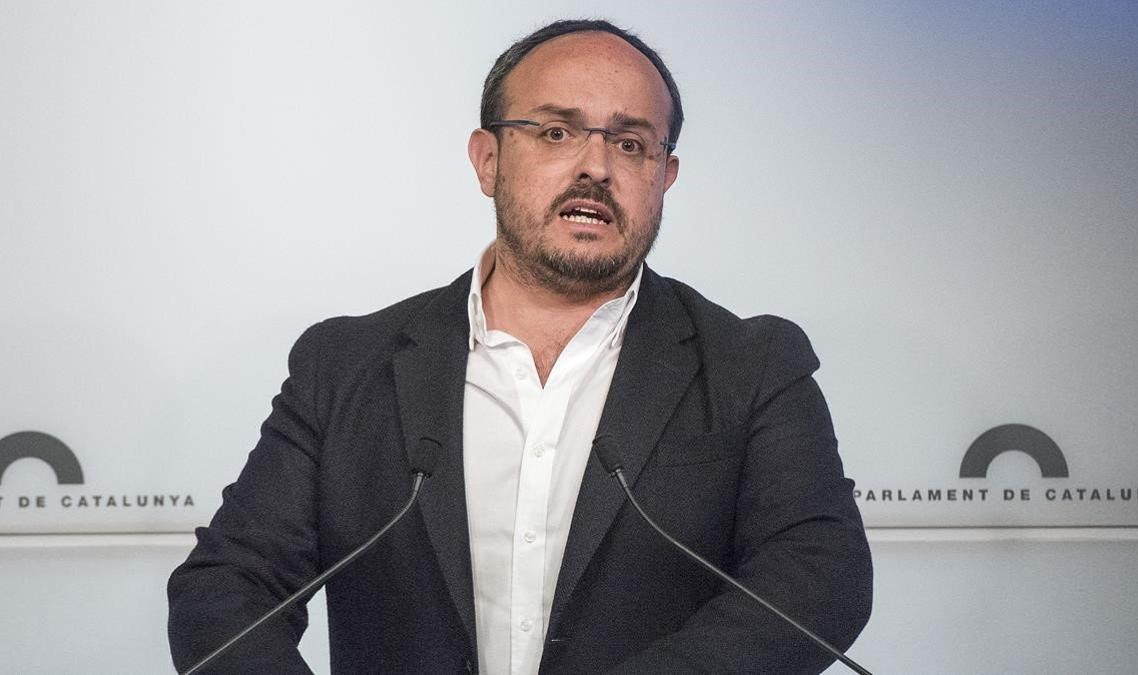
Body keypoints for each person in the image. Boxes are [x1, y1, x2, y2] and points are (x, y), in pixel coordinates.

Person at [168, 19, 872, 674]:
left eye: (631, 143)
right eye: (556, 132)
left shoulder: (752, 365)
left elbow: (820, 575)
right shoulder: (346, 365)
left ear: (665, 176)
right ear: (487, 159)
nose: (596, 165)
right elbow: (229, 586)